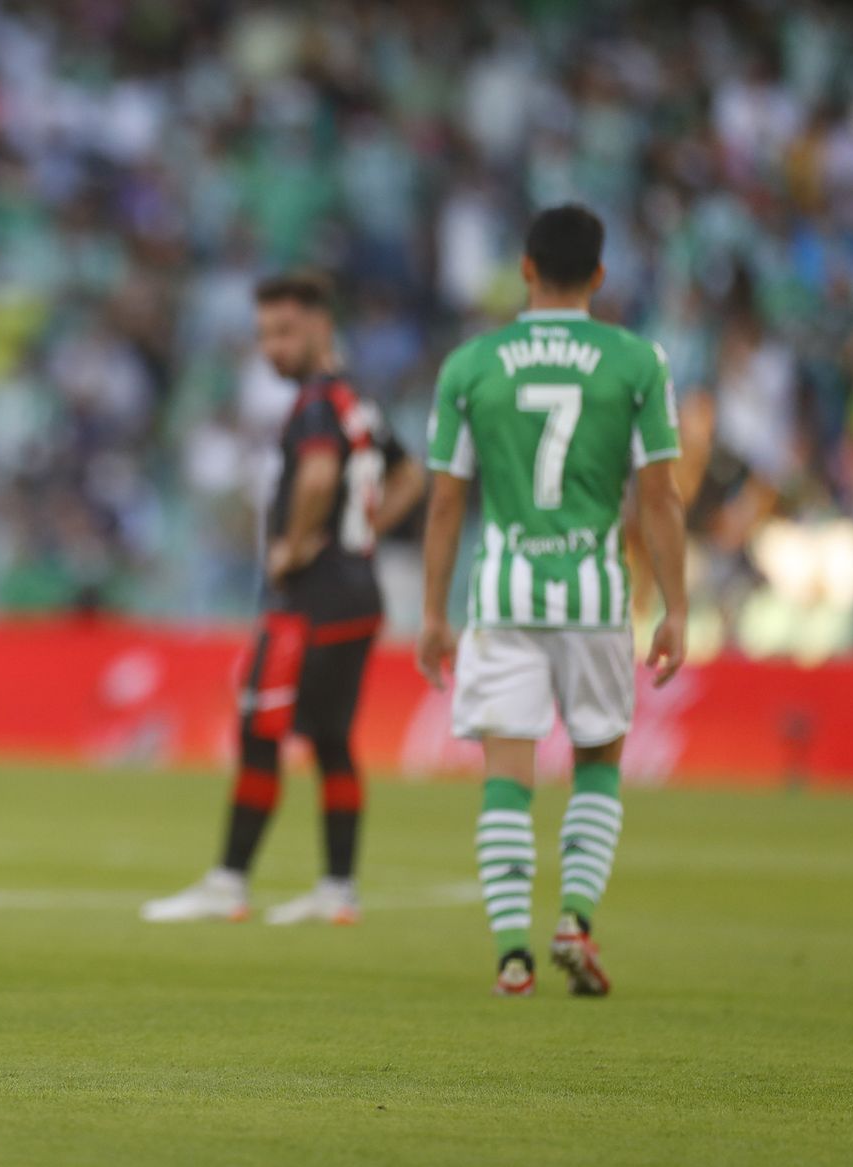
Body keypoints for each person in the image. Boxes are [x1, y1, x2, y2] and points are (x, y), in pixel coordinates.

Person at [416, 204, 687, 997]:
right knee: (599, 756)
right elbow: (661, 495)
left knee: (508, 770)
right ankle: (573, 917)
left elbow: (443, 502)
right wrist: (675, 606)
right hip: (597, 597)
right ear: (599, 276)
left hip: (503, 595)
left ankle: (510, 951)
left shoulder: (472, 363)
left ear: (526, 269)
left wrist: (434, 613)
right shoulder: (637, 361)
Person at [143, 271, 425, 925]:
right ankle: (337, 890)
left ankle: (229, 882)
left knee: (260, 730)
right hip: (358, 593)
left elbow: (323, 471)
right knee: (331, 740)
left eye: (286, 331)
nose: (273, 347)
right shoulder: (358, 398)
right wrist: (363, 534)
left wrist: (297, 545)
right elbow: (410, 474)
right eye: (265, 334)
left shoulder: (319, 402)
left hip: (310, 602)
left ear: (322, 326)